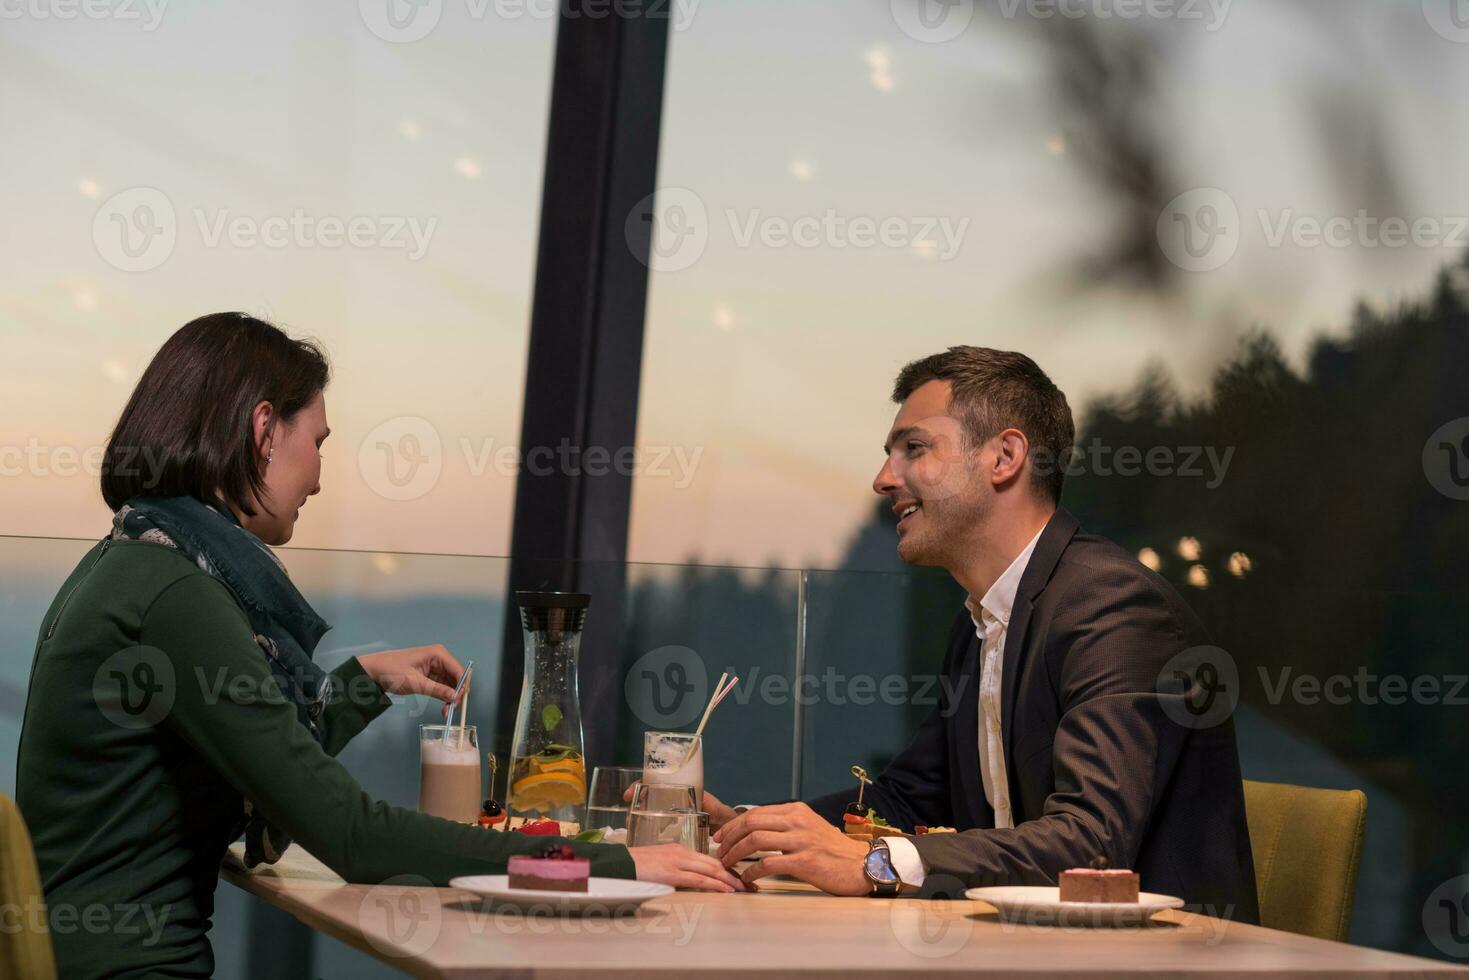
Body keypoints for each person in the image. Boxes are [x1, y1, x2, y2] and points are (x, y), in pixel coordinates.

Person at [14, 313, 740, 980]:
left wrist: (359, 682)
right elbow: (351, 834)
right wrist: (611, 863)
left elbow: (249, 752)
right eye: (317, 442)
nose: (321, 478)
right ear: (263, 430)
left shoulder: (135, 559)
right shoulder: (176, 595)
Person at [708, 347, 1258, 919]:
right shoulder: (984, 616)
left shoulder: (1114, 609)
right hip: (1030, 948)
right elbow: (910, 796)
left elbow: (1090, 845)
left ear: (1005, 457)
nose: (882, 479)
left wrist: (878, 864)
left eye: (913, 449)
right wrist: (757, 827)